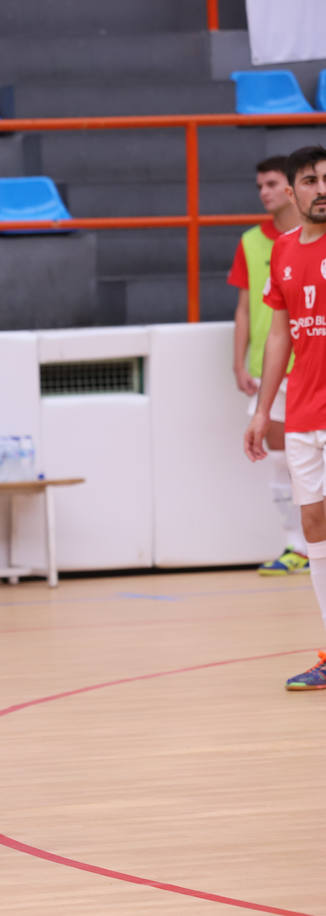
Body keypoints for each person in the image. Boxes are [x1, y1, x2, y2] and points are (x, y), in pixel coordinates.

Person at [245, 144, 326, 691]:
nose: (322, 188)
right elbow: (280, 334)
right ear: (293, 192)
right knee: (314, 527)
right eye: (311, 180)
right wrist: (260, 410)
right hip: (302, 412)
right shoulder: (282, 252)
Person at [231, 155, 307, 575]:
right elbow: (244, 308)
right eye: (260, 185)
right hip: (269, 367)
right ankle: (295, 546)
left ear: (291, 188)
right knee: (280, 458)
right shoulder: (251, 241)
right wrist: (238, 362)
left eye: (272, 184)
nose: (264, 192)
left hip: (310, 367)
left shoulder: (314, 238)